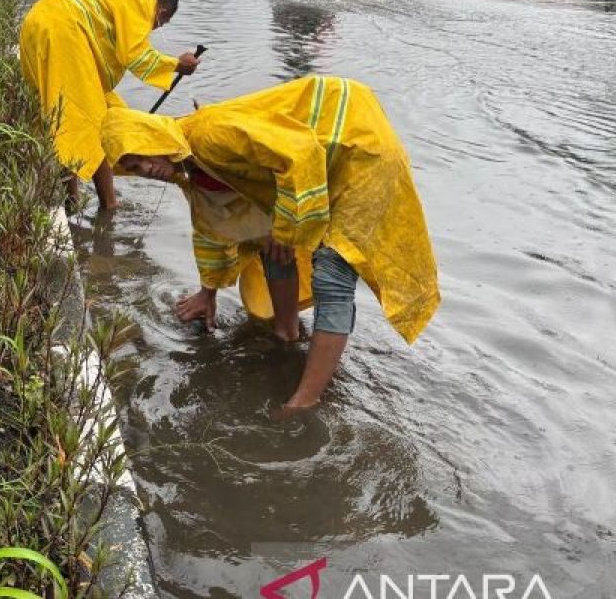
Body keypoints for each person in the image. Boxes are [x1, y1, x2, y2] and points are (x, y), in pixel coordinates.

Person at [99, 75, 440, 414]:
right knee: (270, 241)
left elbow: (301, 151)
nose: (145, 168)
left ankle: (306, 400)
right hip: (326, 157)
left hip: (359, 149)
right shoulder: (187, 163)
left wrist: (286, 226)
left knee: (332, 273)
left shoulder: (209, 136)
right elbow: (213, 222)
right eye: (133, 168)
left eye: (140, 156)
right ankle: (287, 335)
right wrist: (209, 291)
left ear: (152, 136)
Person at [19, 0, 202, 211]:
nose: (156, 28)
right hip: (63, 29)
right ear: (163, 11)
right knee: (93, 124)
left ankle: (72, 201)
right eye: (162, 23)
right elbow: (137, 56)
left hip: (38, 23)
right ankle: (109, 204)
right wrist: (176, 65)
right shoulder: (141, 0)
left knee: (66, 119)